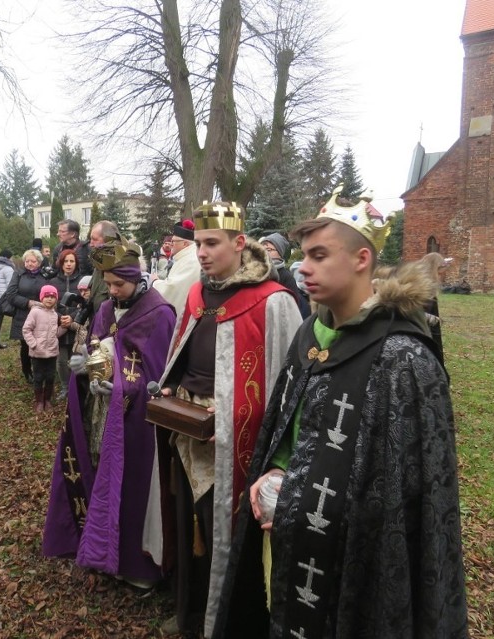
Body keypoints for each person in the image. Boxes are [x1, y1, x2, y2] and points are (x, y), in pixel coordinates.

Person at [213, 187, 468, 638]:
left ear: (361, 259)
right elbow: (287, 428)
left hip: (355, 562)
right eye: (303, 256)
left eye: (318, 255)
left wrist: (302, 501)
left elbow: (402, 497)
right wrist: (272, 473)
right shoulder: (311, 331)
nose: (303, 268)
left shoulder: (404, 357)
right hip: (285, 531)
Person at [147, 202, 303, 638]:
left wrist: (231, 413)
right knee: (190, 525)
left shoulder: (274, 302)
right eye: (197, 243)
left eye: (211, 243)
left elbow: (287, 390)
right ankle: (191, 614)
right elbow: (181, 349)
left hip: (234, 443)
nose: (201, 252)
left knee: (226, 535)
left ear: (239, 244)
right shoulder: (197, 293)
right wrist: (168, 386)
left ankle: (231, 624)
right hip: (186, 427)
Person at [43, 234, 176, 588]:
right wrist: (82, 366)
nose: (113, 291)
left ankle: (135, 564)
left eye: (120, 284)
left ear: (137, 279)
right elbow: (94, 347)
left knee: (131, 487)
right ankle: (100, 548)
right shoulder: (104, 309)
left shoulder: (159, 313)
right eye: (109, 284)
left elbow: (157, 373)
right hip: (99, 414)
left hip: (137, 421)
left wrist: (122, 386)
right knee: (98, 474)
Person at [6, 249, 51, 384]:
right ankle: (27, 371)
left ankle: (41, 370)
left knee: (41, 343)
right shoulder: (18, 274)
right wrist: (28, 303)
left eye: (33, 261)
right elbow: (11, 294)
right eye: (27, 261)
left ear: (39, 263)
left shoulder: (45, 276)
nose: (30, 264)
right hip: (23, 314)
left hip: (41, 315)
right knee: (26, 345)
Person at [22, 284, 67, 411]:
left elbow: (55, 334)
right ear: (41, 298)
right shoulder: (35, 312)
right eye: (47, 296)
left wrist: (63, 328)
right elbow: (26, 330)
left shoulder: (55, 315)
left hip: (52, 353)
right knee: (38, 377)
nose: (49, 299)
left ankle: (47, 400)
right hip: (37, 353)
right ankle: (39, 401)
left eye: (53, 297)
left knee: (50, 377)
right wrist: (33, 344)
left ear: (56, 299)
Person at [151, 220, 199, 331]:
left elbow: (173, 289)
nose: (171, 244)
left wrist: (155, 282)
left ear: (185, 244)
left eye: (174, 242)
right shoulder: (185, 257)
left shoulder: (192, 260)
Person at [53, 249, 84, 399]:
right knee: (61, 361)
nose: (69, 264)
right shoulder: (53, 282)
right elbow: (49, 304)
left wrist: (72, 318)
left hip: (77, 327)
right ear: (61, 263)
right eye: (66, 261)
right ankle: (65, 387)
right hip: (58, 327)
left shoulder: (82, 281)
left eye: (72, 261)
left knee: (76, 359)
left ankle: (75, 387)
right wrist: (60, 318)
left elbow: (85, 304)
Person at [261, 232, 311, 319]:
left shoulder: (286, 277)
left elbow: (292, 309)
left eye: (269, 250)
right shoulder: (253, 273)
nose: (265, 253)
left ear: (279, 253)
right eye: (262, 249)